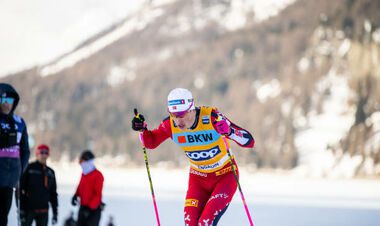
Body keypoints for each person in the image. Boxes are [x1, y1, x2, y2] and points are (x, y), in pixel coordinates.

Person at [131, 88, 255, 226]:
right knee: (190, 223)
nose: (178, 121)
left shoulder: (211, 117)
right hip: (198, 179)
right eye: (173, 114)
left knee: (205, 223)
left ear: (191, 109)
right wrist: (142, 129)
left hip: (225, 176)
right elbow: (151, 142)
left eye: (181, 114)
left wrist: (230, 132)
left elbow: (249, 141)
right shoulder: (170, 124)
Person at [0, 83, 30, 225]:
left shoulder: (19, 123)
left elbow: (25, 150)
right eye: (3, 101)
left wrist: (20, 171)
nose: (7, 104)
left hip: (10, 180)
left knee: (2, 216)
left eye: (10, 101)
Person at [19, 144, 58, 226]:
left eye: (46, 152)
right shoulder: (29, 168)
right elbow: (21, 189)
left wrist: (55, 212)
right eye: (42, 152)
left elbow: (53, 194)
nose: (44, 155)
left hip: (43, 211)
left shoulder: (50, 172)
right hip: (29, 210)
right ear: (37, 154)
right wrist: (21, 209)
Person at [71, 150, 104, 226]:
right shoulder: (84, 173)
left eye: (81, 161)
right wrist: (76, 195)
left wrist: (90, 208)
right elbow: (80, 186)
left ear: (87, 161)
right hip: (83, 208)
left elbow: (97, 194)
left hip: (93, 211)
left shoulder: (98, 175)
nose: (80, 164)